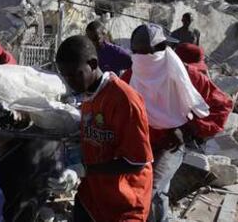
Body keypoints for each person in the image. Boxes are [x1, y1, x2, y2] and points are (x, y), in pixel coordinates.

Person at [49, 35, 153, 221]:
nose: (70, 82)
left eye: (75, 74)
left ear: (93, 63)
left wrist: (84, 170)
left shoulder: (124, 100)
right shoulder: (89, 95)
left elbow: (136, 162)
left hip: (124, 201)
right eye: (65, 76)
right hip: (94, 195)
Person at [121, 24, 210, 222]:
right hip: (144, 147)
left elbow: (219, 104)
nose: (141, 57)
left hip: (171, 147)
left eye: (145, 52)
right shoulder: (132, 75)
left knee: (149, 190)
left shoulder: (182, 73)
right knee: (159, 193)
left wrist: (186, 128)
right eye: (137, 52)